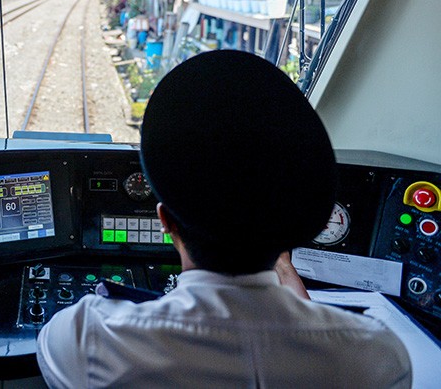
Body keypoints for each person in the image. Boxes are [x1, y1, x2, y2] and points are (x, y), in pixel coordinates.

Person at [36, 50, 411, 388]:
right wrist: (285, 266)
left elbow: (49, 346)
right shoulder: (376, 357)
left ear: (166, 221)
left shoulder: (86, 339)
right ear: (293, 228)